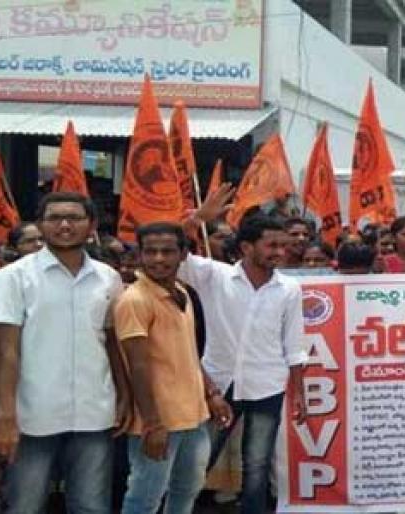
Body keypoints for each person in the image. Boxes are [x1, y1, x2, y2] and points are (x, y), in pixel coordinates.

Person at [0, 192, 130, 514]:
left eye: (75, 218)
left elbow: (112, 343)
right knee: (25, 505)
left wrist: (123, 396)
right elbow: (7, 350)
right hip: (33, 415)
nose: (64, 225)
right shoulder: (12, 278)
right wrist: (6, 416)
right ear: (40, 224)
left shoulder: (108, 277)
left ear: (91, 225)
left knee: (91, 505)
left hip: (96, 412)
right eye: (54, 218)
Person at [181, 192, 309, 514]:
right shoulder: (214, 276)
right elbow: (173, 253)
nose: (280, 252)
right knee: (198, 459)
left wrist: (299, 395)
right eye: (272, 245)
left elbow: (293, 346)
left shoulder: (289, 289)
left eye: (283, 246)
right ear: (246, 247)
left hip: (267, 385)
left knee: (257, 464)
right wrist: (196, 220)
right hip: (216, 385)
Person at [114, 222, 233, 514]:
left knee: (187, 490)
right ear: (139, 255)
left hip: (194, 416)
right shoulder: (134, 300)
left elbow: (189, 354)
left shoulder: (182, 291)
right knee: (145, 498)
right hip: (158, 422)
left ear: (183, 255)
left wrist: (211, 392)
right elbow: (137, 366)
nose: (158, 259)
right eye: (150, 252)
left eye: (167, 251)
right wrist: (153, 424)